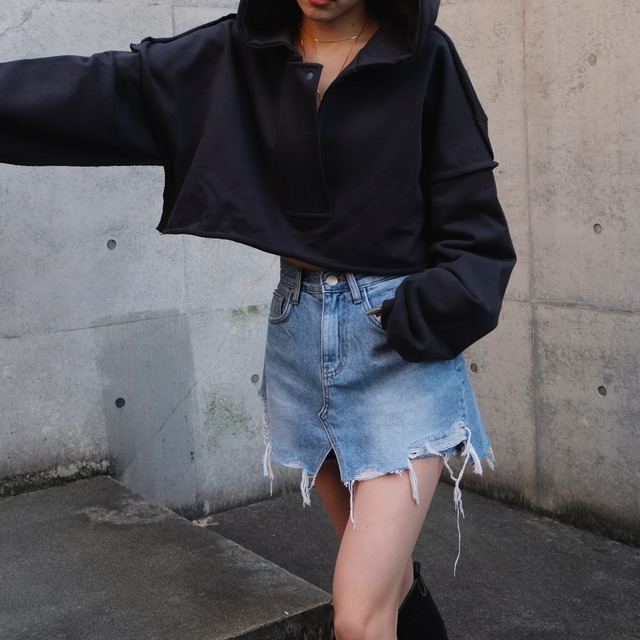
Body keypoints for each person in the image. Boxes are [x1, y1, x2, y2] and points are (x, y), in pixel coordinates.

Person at [0, 0, 516, 638]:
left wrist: (424, 314)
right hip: (300, 336)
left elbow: (478, 234)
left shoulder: (426, 57)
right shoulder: (240, 51)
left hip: (397, 347)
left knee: (359, 617)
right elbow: (107, 90)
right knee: (392, 586)